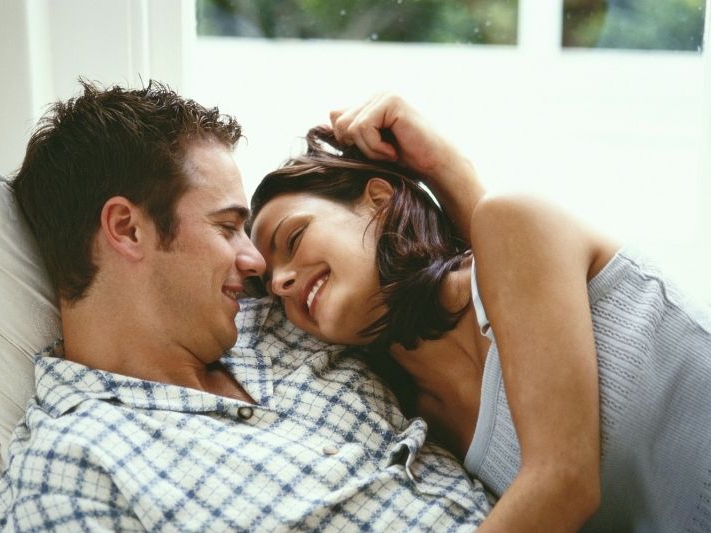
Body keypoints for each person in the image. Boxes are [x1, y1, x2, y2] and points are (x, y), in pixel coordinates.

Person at [0, 81, 494, 531]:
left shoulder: (282, 318)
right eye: (226, 227)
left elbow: (471, 306)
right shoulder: (68, 471)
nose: (258, 265)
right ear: (127, 229)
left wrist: (446, 170)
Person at [248, 93, 711, 532]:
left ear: (378, 200)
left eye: (292, 239)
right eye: (272, 287)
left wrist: (440, 167)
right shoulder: (414, 423)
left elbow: (564, 483)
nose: (281, 282)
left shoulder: (514, 222)